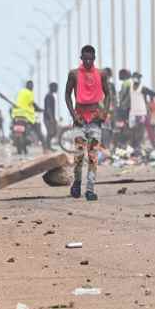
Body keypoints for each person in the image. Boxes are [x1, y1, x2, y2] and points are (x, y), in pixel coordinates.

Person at [65, 45, 112, 201]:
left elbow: (108, 94)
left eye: (90, 59)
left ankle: (90, 189)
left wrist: (104, 113)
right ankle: (77, 183)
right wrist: (73, 115)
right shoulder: (74, 74)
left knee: (92, 156)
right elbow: (67, 95)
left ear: (94, 58)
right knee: (79, 155)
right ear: (81, 58)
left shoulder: (101, 74)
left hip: (95, 119)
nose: (87, 61)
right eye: (85, 58)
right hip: (79, 119)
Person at [11, 80, 44, 154]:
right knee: (34, 130)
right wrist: (40, 109)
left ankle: (20, 148)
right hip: (26, 116)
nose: (32, 87)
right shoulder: (29, 93)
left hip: (16, 115)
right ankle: (44, 147)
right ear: (28, 86)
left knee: (19, 132)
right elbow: (33, 104)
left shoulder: (21, 92)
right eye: (31, 86)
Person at [128, 72, 155, 151]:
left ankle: (136, 146)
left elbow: (151, 94)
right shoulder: (141, 88)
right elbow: (152, 93)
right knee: (144, 130)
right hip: (141, 113)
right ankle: (140, 145)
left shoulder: (131, 87)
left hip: (136, 113)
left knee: (137, 130)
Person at [44, 82, 59, 152]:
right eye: (56, 87)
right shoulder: (49, 96)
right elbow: (48, 108)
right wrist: (51, 119)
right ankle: (47, 147)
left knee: (53, 132)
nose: (57, 89)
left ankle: (47, 146)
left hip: (49, 117)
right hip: (48, 118)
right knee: (50, 132)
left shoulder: (50, 95)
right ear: (52, 87)